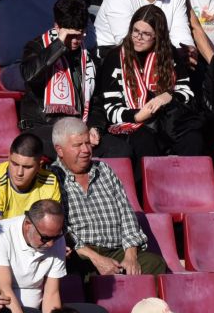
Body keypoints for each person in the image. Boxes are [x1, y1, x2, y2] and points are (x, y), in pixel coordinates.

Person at [51, 117, 169, 275]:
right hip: (83, 254)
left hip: (117, 251)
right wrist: (96, 259)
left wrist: (130, 256)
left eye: (87, 143)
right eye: (78, 145)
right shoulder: (52, 178)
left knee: (154, 264)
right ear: (60, 150)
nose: (86, 150)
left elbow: (126, 215)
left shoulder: (104, 170)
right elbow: (62, 229)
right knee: (76, 270)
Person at [92, 3, 201, 159]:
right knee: (144, 139)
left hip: (165, 120)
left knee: (193, 139)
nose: (138, 38)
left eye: (146, 34)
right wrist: (137, 116)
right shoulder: (115, 57)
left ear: (157, 35)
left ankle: (189, 182)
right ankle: (153, 183)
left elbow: (186, 92)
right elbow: (110, 107)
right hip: (132, 121)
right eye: (135, 31)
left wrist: (168, 96)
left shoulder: (169, 54)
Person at [0, 199, 111, 313]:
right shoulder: (2, 234)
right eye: (45, 238)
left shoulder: (57, 240)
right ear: (28, 225)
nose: (51, 244)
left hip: (40, 307)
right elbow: (4, 289)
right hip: (10, 310)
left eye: (56, 237)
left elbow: (51, 293)